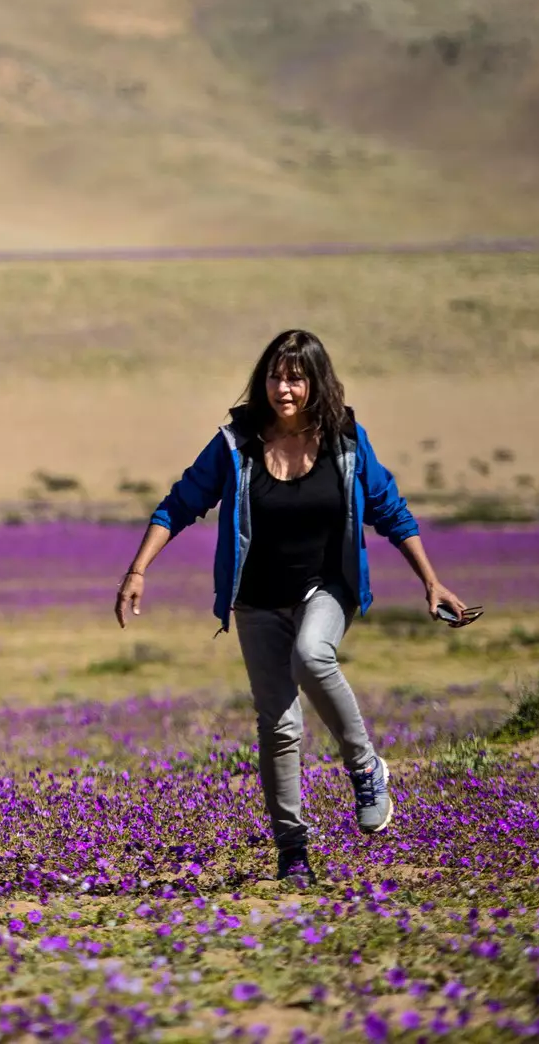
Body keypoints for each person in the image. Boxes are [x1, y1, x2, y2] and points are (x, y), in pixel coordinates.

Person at [112, 329, 469, 886]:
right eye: (277, 376)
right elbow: (180, 503)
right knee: (278, 727)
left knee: (312, 653)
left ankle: (365, 767)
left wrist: (432, 582)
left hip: (326, 587)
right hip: (255, 600)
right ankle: (292, 850)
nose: (285, 388)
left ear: (314, 382)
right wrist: (138, 570)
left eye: (296, 377)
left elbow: (391, 510)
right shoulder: (236, 444)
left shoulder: (346, 442)